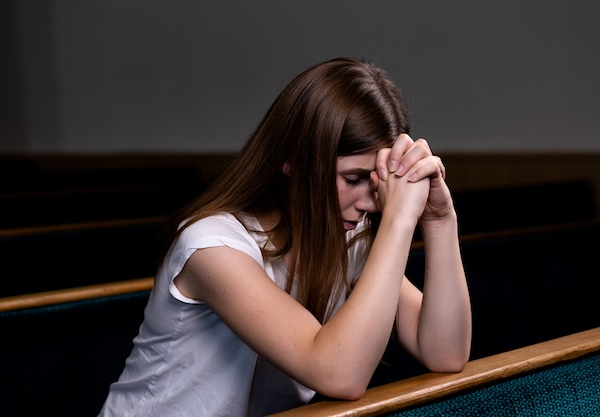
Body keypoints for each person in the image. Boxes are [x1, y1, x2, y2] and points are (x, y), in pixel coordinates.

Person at [97, 57, 472, 417]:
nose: (372, 203)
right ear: (290, 161)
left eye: (379, 182)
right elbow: (340, 374)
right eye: (354, 179)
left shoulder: (346, 239)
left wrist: (439, 220)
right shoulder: (211, 246)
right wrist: (399, 220)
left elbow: (446, 353)